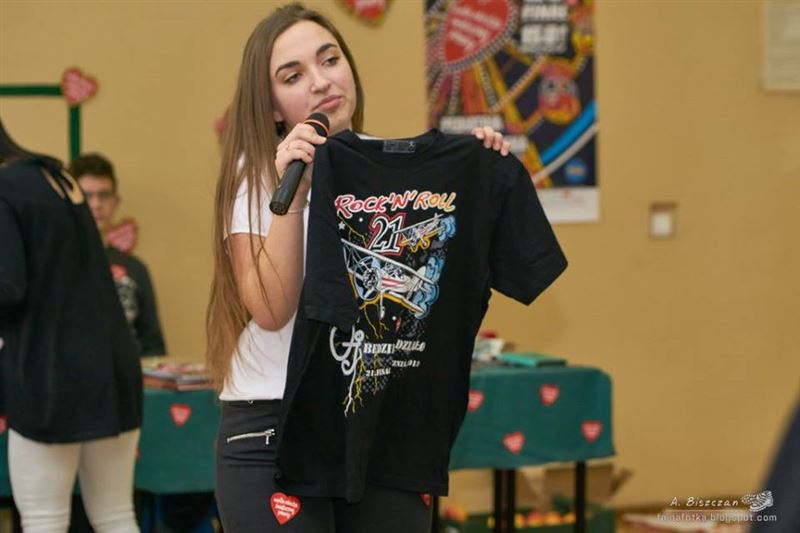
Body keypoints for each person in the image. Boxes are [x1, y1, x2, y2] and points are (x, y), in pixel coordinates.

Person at [205, 4, 512, 532]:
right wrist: (297, 193)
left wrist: (483, 172)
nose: (321, 81)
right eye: (293, 76)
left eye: (330, 59)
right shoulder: (259, 175)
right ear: (272, 107)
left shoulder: (398, 171)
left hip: (379, 419)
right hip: (273, 422)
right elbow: (271, 310)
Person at [0, 120, 142, 532]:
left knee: (44, 520)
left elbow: (8, 286)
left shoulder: (5, 188)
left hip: (50, 374)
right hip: (112, 367)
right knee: (116, 515)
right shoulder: (56, 175)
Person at [69, 154, 166, 358]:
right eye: (86, 195)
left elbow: (153, 344)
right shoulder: (53, 265)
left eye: (104, 195)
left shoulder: (135, 268)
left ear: (116, 202)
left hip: (128, 371)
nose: (96, 204)